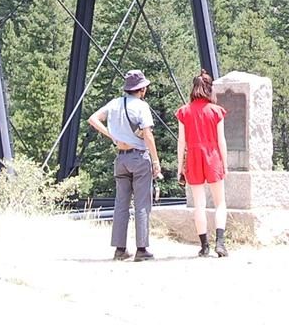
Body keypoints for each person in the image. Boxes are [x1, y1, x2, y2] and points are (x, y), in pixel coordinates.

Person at [87, 69, 163, 261]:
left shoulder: (114, 104)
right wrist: (155, 161)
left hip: (120, 158)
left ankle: (120, 249)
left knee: (121, 204)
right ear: (141, 89)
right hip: (138, 157)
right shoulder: (141, 106)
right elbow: (148, 134)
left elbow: (93, 119)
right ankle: (142, 249)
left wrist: (112, 135)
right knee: (142, 205)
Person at [175, 71, 229, 257]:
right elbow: (221, 140)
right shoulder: (216, 111)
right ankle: (220, 243)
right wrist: (225, 163)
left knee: (199, 204)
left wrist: (179, 166)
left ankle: (204, 245)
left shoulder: (184, 111)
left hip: (193, 157)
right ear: (209, 89)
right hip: (212, 156)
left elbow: (181, 141)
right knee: (220, 202)